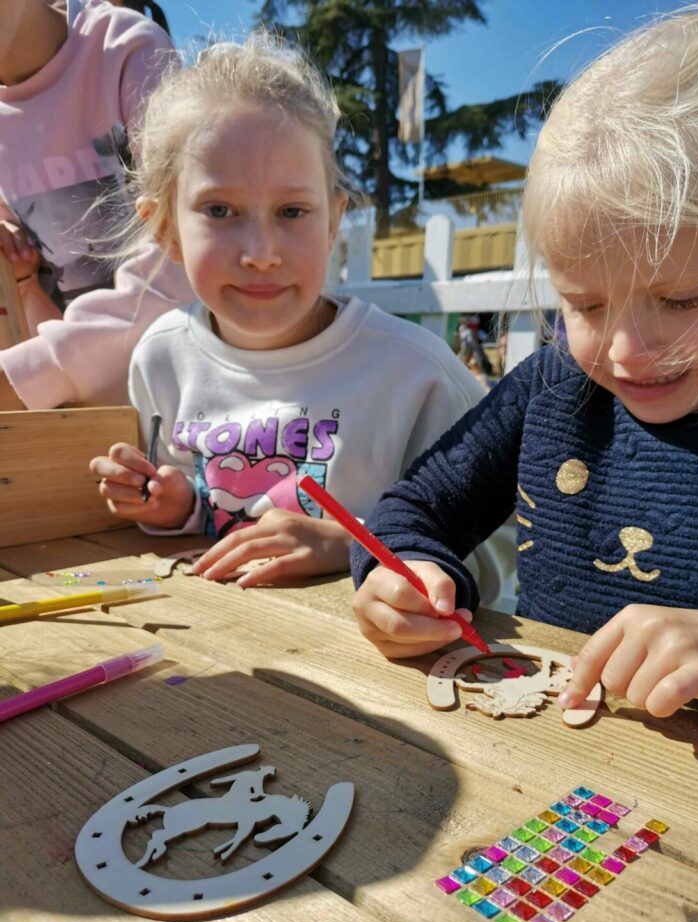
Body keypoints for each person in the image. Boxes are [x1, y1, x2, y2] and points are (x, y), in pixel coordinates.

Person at [351, 7, 698, 717]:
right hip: (549, 772)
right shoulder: (553, 388)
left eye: (683, 299)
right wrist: (407, 575)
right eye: (586, 305)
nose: (625, 352)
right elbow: (412, 509)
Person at [88, 36, 514, 595]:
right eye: (220, 210)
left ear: (333, 222)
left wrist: (354, 544)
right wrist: (176, 506)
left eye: (293, 211)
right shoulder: (160, 358)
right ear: (164, 227)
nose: (262, 251)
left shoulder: (416, 374)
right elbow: (212, 524)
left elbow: (501, 551)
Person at [0, 0, 191, 410]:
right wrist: (21, 281)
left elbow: (184, 261)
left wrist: (28, 376)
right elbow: (24, 308)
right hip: (77, 414)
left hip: (184, 391)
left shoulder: (127, 52)